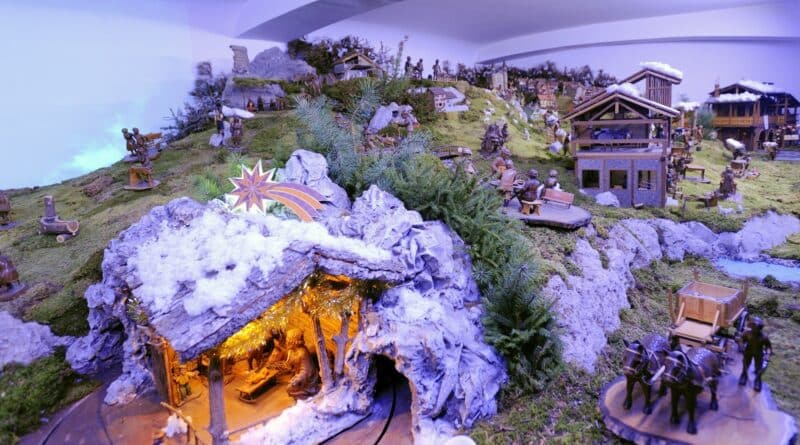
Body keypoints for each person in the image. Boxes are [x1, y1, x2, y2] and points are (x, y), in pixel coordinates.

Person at [738, 316, 772, 392]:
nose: (754, 329)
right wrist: (741, 346)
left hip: (758, 353)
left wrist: (767, 354)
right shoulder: (747, 333)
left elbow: (768, 347)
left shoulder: (764, 337)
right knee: (746, 364)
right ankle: (744, 376)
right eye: (753, 327)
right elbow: (741, 339)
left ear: (760, 328)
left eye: (756, 328)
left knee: (758, 368)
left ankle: (757, 381)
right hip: (748, 351)